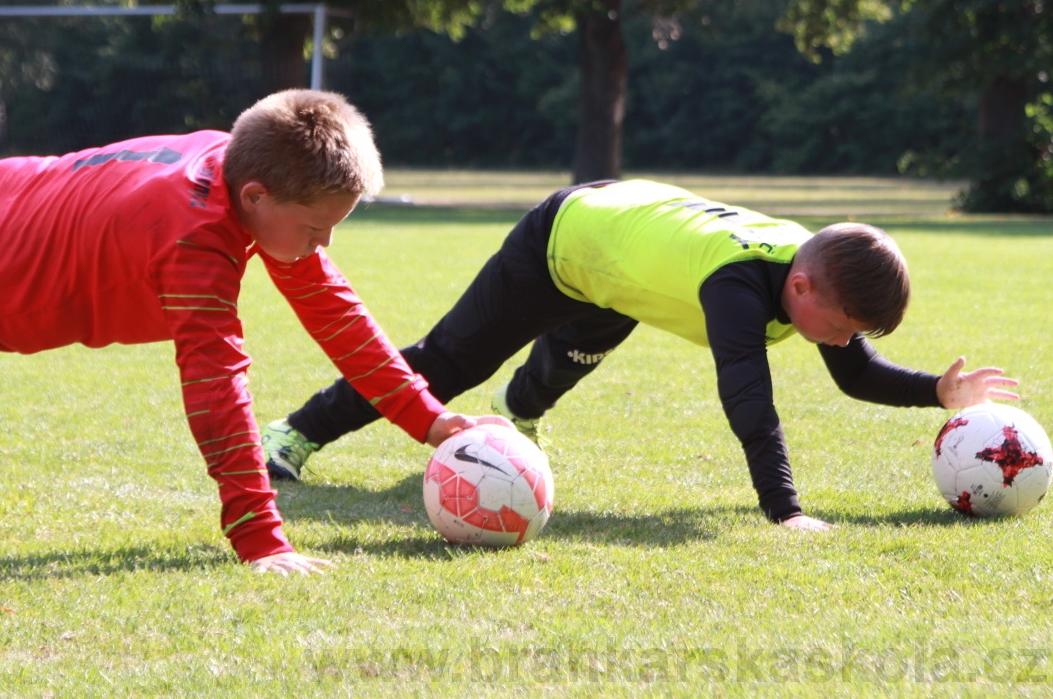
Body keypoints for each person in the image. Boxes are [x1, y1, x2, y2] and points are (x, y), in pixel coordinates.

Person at [0, 89, 503, 574]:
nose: (323, 244)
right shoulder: (196, 239)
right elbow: (216, 384)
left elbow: (336, 314)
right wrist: (259, 535)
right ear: (257, 197)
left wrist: (432, 421)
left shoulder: (238, 162)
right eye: (316, 228)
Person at [261, 179, 1019, 531]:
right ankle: (294, 434)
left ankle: (514, 413)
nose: (846, 340)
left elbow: (855, 374)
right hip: (564, 244)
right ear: (800, 286)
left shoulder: (816, 275)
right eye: (846, 325)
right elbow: (749, 401)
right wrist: (786, 512)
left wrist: (937, 392)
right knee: (449, 361)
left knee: (557, 371)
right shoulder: (739, 288)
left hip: (622, 275)